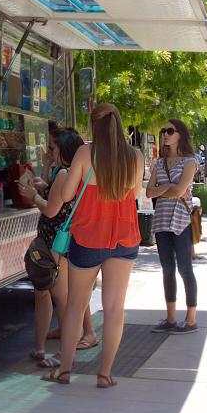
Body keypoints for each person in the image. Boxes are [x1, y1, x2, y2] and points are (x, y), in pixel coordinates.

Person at [41, 103, 144, 388]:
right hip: (124, 238)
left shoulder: (86, 153)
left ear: (94, 124)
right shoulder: (135, 156)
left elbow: (65, 193)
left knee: (75, 305)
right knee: (114, 309)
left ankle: (65, 370)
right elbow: (135, 194)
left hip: (88, 238)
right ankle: (105, 374)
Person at [18, 129, 98, 367]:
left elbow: (51, 210)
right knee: (50, 294)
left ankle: (64, 354)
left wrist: (33, 196)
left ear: (63, 150)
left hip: (56, 242)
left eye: (53, 148)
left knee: (60, 298)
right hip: (61, 241)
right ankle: (43, 348)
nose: (50, 152)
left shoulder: (64, 174)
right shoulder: (72, 173)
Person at [145, 119, 200, 335]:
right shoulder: (158, 163)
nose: (165, 134)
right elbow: (149, 192)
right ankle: (170, 318)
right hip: (161, 221)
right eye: (163, 131)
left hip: (181, 221)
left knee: (185, 269)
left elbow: (180, 192)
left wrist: (165, 188)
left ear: (180, 135)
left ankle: (191, 319)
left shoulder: (190, 161)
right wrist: (169, 186)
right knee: (167, 269)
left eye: (170, 131)